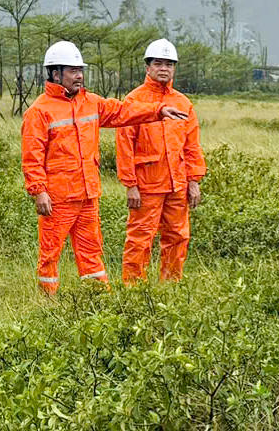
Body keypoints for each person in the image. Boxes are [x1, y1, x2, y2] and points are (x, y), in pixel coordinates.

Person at [19, 40, 188, 294]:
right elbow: (32, 156)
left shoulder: (91, 102)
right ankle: (47, 302)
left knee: (91, 250)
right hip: (57, 198)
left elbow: (124, 112)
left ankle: (97, 298)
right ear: (55, 73)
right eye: (72, 71)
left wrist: (158, 110)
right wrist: (39, 191)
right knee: (50, 252)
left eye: (80, 70)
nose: (79, 76)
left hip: (88, 195)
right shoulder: (39, 111)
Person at [115, 37, 203, 284]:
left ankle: (171, 286)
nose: (164, 68)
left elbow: (192, 146)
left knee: (178, 236)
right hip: (146, 186)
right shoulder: (134, 101)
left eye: (169, 64)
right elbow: (124, 146)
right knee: (140, 238)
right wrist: (130, 185)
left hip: (177, 185)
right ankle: (134, 289)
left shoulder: (183, 103)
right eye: (158, 63)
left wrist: (194, 181)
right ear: (148, 67)